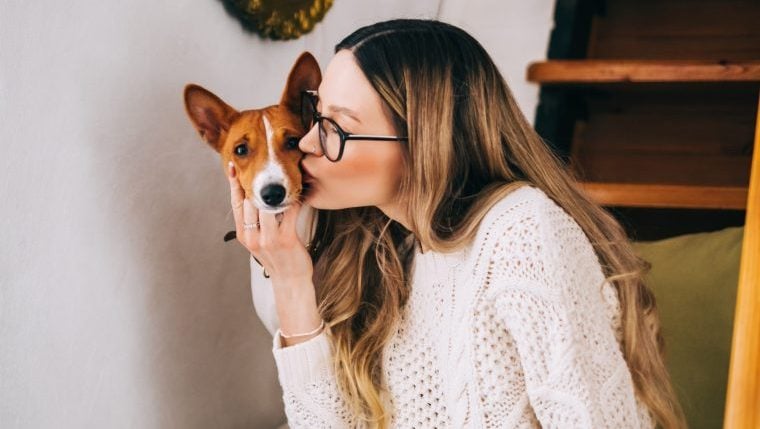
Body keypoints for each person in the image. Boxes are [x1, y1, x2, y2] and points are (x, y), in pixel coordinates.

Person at [226, 18, 687, 429]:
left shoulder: (521, 232)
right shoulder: (383, 247)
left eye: (335, 126)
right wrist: (289, 276)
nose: (306, 142)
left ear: (424, 140)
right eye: (316, 112)